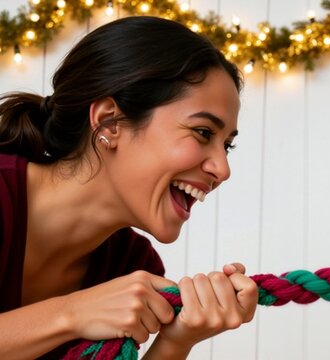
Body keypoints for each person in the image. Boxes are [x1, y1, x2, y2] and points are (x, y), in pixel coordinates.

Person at [0, 16, 258, 359]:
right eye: (203, 133)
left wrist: (177, 340)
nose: (222, 169)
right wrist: (71, 315)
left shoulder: (131, 267)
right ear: (110, 121)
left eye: (227, 146)